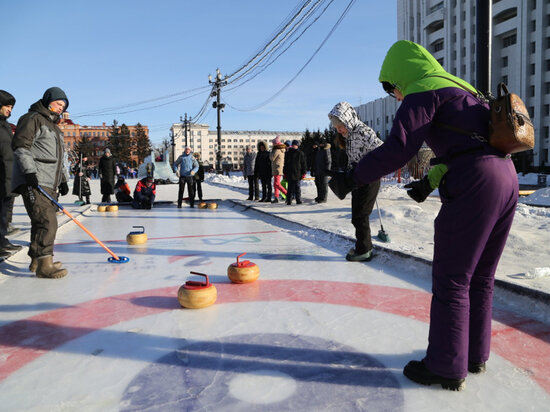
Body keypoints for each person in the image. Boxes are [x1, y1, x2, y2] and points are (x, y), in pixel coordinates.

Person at [351, 40, 519, 390]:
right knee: (481, 277)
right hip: (507, 178)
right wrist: (429, 181)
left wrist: (352, 176)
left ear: (401, 77)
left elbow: (399, 148)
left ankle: (445, 365)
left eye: (393, 88)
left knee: (453, 278)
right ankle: (474, 355)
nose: (396, 96)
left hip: (476, 184)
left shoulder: (423, 90)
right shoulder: (462, 88)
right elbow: (469, 146)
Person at [11, 87, 70, 278]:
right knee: (47, 221)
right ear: (48, 100)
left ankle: (37, 260)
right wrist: (29, 172)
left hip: (50, 182)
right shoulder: (33, 119)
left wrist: (63, 180)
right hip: (36, 180)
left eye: (64, 106)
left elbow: (59, 158)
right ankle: (45, 264)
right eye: (59, 103)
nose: (61, 108)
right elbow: (21, 146)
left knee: (40, 222)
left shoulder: (55, 127)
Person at [328, 101, 383, 262]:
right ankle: (365, 246)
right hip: (358, 178)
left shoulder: (363, 132)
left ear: (348, 120)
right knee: (356, 216)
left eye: (341, 125)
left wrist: (369, 166)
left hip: (369, 178)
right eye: (337, 127)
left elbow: (382, 150)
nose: (339, 130)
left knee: (360, 215)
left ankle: (364, 250)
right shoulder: (349, 135)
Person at [0, 90, 23, 259]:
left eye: (12, 107)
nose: (10, 110)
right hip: (1, 175)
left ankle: (2, 241)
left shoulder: (5, 125)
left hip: (8, 175)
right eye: (7, 106)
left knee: (3, 213)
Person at [283, 140, 307, 205]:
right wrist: (284, 172)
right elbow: (285, 164)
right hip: (289, 172)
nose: (294, 146)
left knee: (297, 187)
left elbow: (303, 163)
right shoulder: (288, 153)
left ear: (297, 146)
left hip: (297, 172)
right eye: (293, 145)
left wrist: (304, 172)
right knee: (290, 188)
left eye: (295, 145)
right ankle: (289, 200)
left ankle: (298, 200)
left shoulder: (300, 153)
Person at [313, 137, 332, 203]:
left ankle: (323, 198)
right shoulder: (319, 151)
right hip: (318, 170)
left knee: (323, 185)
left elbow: (328, 161)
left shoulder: (326, 150)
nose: (320, 145)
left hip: (324, 171)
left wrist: (327, 171)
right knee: (318, 184)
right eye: (320, 144)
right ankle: (319, 196)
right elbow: (316, 161)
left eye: (321, 144)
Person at [269, 136, 287, 203]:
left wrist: (271, 152)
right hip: (277, 168)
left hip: (277, 168)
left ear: (276, 144)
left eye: (273, 143)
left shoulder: (277, 150)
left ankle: (287, 194)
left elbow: (272, 158)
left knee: (277, 184)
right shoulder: (281, 149)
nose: (272, 144)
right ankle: (276, 197)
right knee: (275, 184)